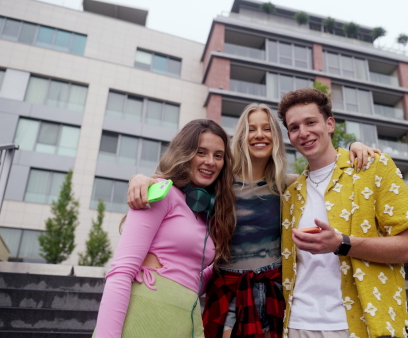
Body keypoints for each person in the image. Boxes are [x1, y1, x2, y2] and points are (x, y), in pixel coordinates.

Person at [127, 105, 380, 338]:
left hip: (273, 291)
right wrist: (142, 179)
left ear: (276, 138)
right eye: (252, 129)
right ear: (241, 136)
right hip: (226, 290)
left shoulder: (288, 185)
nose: (259, 134)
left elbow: (325, 168)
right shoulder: (220, 182)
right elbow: (177, 184)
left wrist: (354, 148)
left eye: (267, 128)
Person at [277, 88, 408, 338]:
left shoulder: (374, 167)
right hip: (298, 325)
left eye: (310, 122)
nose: (303, 132)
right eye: (294, 127)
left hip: (362, 324)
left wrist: (342, 244)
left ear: (330, 124)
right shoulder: (290, 194)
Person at [94, 119, 236, 338]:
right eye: (201, 152)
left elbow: (192, 277)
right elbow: (121, 271)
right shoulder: (161, 193)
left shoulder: (206, 213)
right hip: (146, 312)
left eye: (218, 156)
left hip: (185, 320)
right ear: (185, 153)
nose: (210, 162)